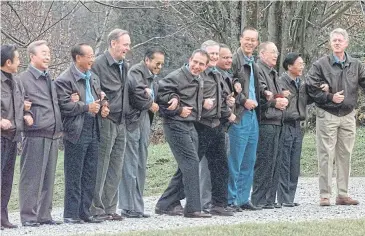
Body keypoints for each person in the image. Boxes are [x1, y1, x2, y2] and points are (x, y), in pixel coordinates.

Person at [306, 28, 365, 206]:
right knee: (325, 154)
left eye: (340, 40)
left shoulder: (356, 64)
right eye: (334, 40)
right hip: (327, 114)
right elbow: (310, 86)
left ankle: (343, 194)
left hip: (348, 114)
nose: (337, 43)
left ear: (346, 43)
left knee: (345, 155)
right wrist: (329, 97)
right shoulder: (320, 64)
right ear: (330, 43)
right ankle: (325, 195)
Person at [55, 43, 109, 224]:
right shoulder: (64, 79)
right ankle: (71, 213)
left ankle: (85, 211)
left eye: (93, 56)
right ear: (78, 58)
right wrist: (86, 107)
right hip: (76, 129)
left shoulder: (92, 77)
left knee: (90, 172)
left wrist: (103, 106)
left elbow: (99, 97)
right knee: (74, 172)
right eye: (89, 56)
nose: (92, 60)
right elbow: (64, 106)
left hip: (93, 126)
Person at [154, 49, 212, 218]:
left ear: (206, 66)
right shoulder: (177, 76)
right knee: (191, 162)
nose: (197, 66)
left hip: (190, 124)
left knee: (186, 166)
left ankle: (165, 203)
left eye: (201, 64)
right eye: (195, 62)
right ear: (189, 59)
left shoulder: (199, 79)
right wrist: (177, 107)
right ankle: (193, 209)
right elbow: (160, 94)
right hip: (175, 124)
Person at [18, 40, 63, 227]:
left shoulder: (49, 78)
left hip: (53, 134)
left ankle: (44, 215)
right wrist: (26, 113)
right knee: (32, 177)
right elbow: (16, 104)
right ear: (32, 56)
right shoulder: (22, 79)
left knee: (48, 178)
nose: (48, 56)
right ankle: (28, 216)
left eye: (49, 53)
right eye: (43, 53)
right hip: (35, 133)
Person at [119, 48, 164, 218]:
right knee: (130, 163)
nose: (159, 67)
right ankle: (127, 206)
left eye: (161, 64)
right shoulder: (136, 71)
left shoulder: (152, 76)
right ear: (147, 60)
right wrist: (149, 102)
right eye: (156, 63)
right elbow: (137, 93)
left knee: (141, 162)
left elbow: (155, 92)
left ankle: (137, 206)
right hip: (133, 121)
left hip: (144, 119)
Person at [90, 29, 131, 221]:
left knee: (116, 166)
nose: (127, 48)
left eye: (128, 45)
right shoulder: (98, 64)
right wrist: (103, 105)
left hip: (122, 122)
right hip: (105, 121)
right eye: (125, 44)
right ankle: (95, 208)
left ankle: (109, 208)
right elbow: (92, 87)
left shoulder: (125, 65)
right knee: (102, 165)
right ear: (113, 43)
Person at [196, 40, 236, 216]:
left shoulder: (217, 75)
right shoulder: (197, 74)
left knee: (220, 166)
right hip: (201, 125)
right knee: (199, 166)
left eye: (215, 54)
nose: (214, 57)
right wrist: (202, 104)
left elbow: (221, 99)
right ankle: (202, 202)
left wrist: (228, 107)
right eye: (211, 54)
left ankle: (219, 203)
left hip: (218, 124)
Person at [227, 27, 262, 211]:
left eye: (253, 40)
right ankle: (230, 199)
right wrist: (243, 101)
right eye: (247, 39)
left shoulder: (253, 62)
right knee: (235, 159)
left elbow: (256, 88)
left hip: (253, 115)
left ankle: (242, 198)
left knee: (249, 158)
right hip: (239, 114)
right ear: (240, 39)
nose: (249, 43)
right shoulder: (234, 60)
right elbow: (227, 84)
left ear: (257, 43)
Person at [251, 42, 289, 209]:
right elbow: (261, 97)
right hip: (266, 121)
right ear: (261, 54)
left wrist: (282, 98)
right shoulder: (258, 69)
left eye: (277, 52)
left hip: (278, 121)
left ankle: (269, 199)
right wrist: (275, 102)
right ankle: (259, 199)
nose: (275, 55)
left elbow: (276, 94)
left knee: (275, 161)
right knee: (264, 161)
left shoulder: (274, 72)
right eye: (272, 52)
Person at [1, 44, 33, 229]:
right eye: (18, 59)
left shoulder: (16, 80)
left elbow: (18, 104)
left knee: (6, 179)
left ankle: (3, 217)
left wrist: (25, 115)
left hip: (13, 136)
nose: (20, 62)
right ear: (8, 62)